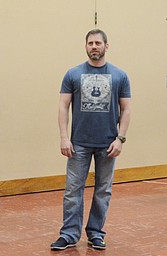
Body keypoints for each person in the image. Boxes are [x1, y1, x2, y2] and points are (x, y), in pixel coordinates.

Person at [51, 29, 131, 251]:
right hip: (78, 144)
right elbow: (62, 106)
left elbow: (126, 109)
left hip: (108, 144)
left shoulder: (120, 76)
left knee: (103, 191)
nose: (94, 46)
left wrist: (120, 139)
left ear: (107, 46)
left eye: (98, 43)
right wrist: (64, 137)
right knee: (72, 190)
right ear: (85, 46)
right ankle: (68, 234)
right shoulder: (73, 74)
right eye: (90, 43)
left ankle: (96, 233)